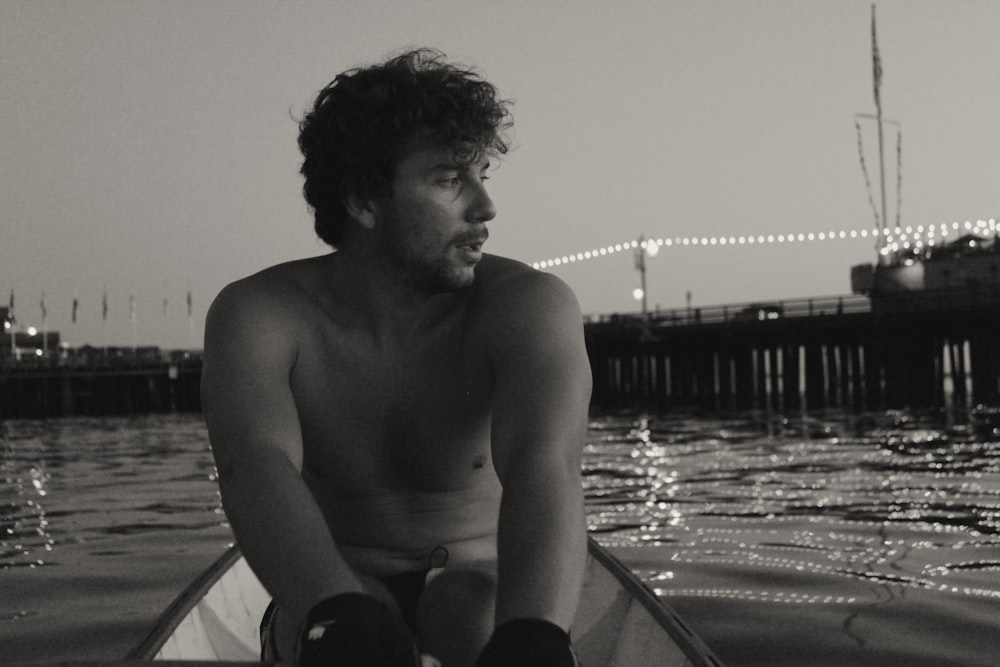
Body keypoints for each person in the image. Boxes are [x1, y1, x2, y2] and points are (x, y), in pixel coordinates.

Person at [201, 48, 592, 667]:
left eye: (481, 174)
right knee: (359, 633)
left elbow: (546, 466)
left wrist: (536, 634)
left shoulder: (526, 305)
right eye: (448, 179)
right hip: (330, 583)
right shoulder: (261, 314)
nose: (485, 207)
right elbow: (255, 465)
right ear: (363, 200)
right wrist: (338, 613)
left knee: (467, 612)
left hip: (483, 580)